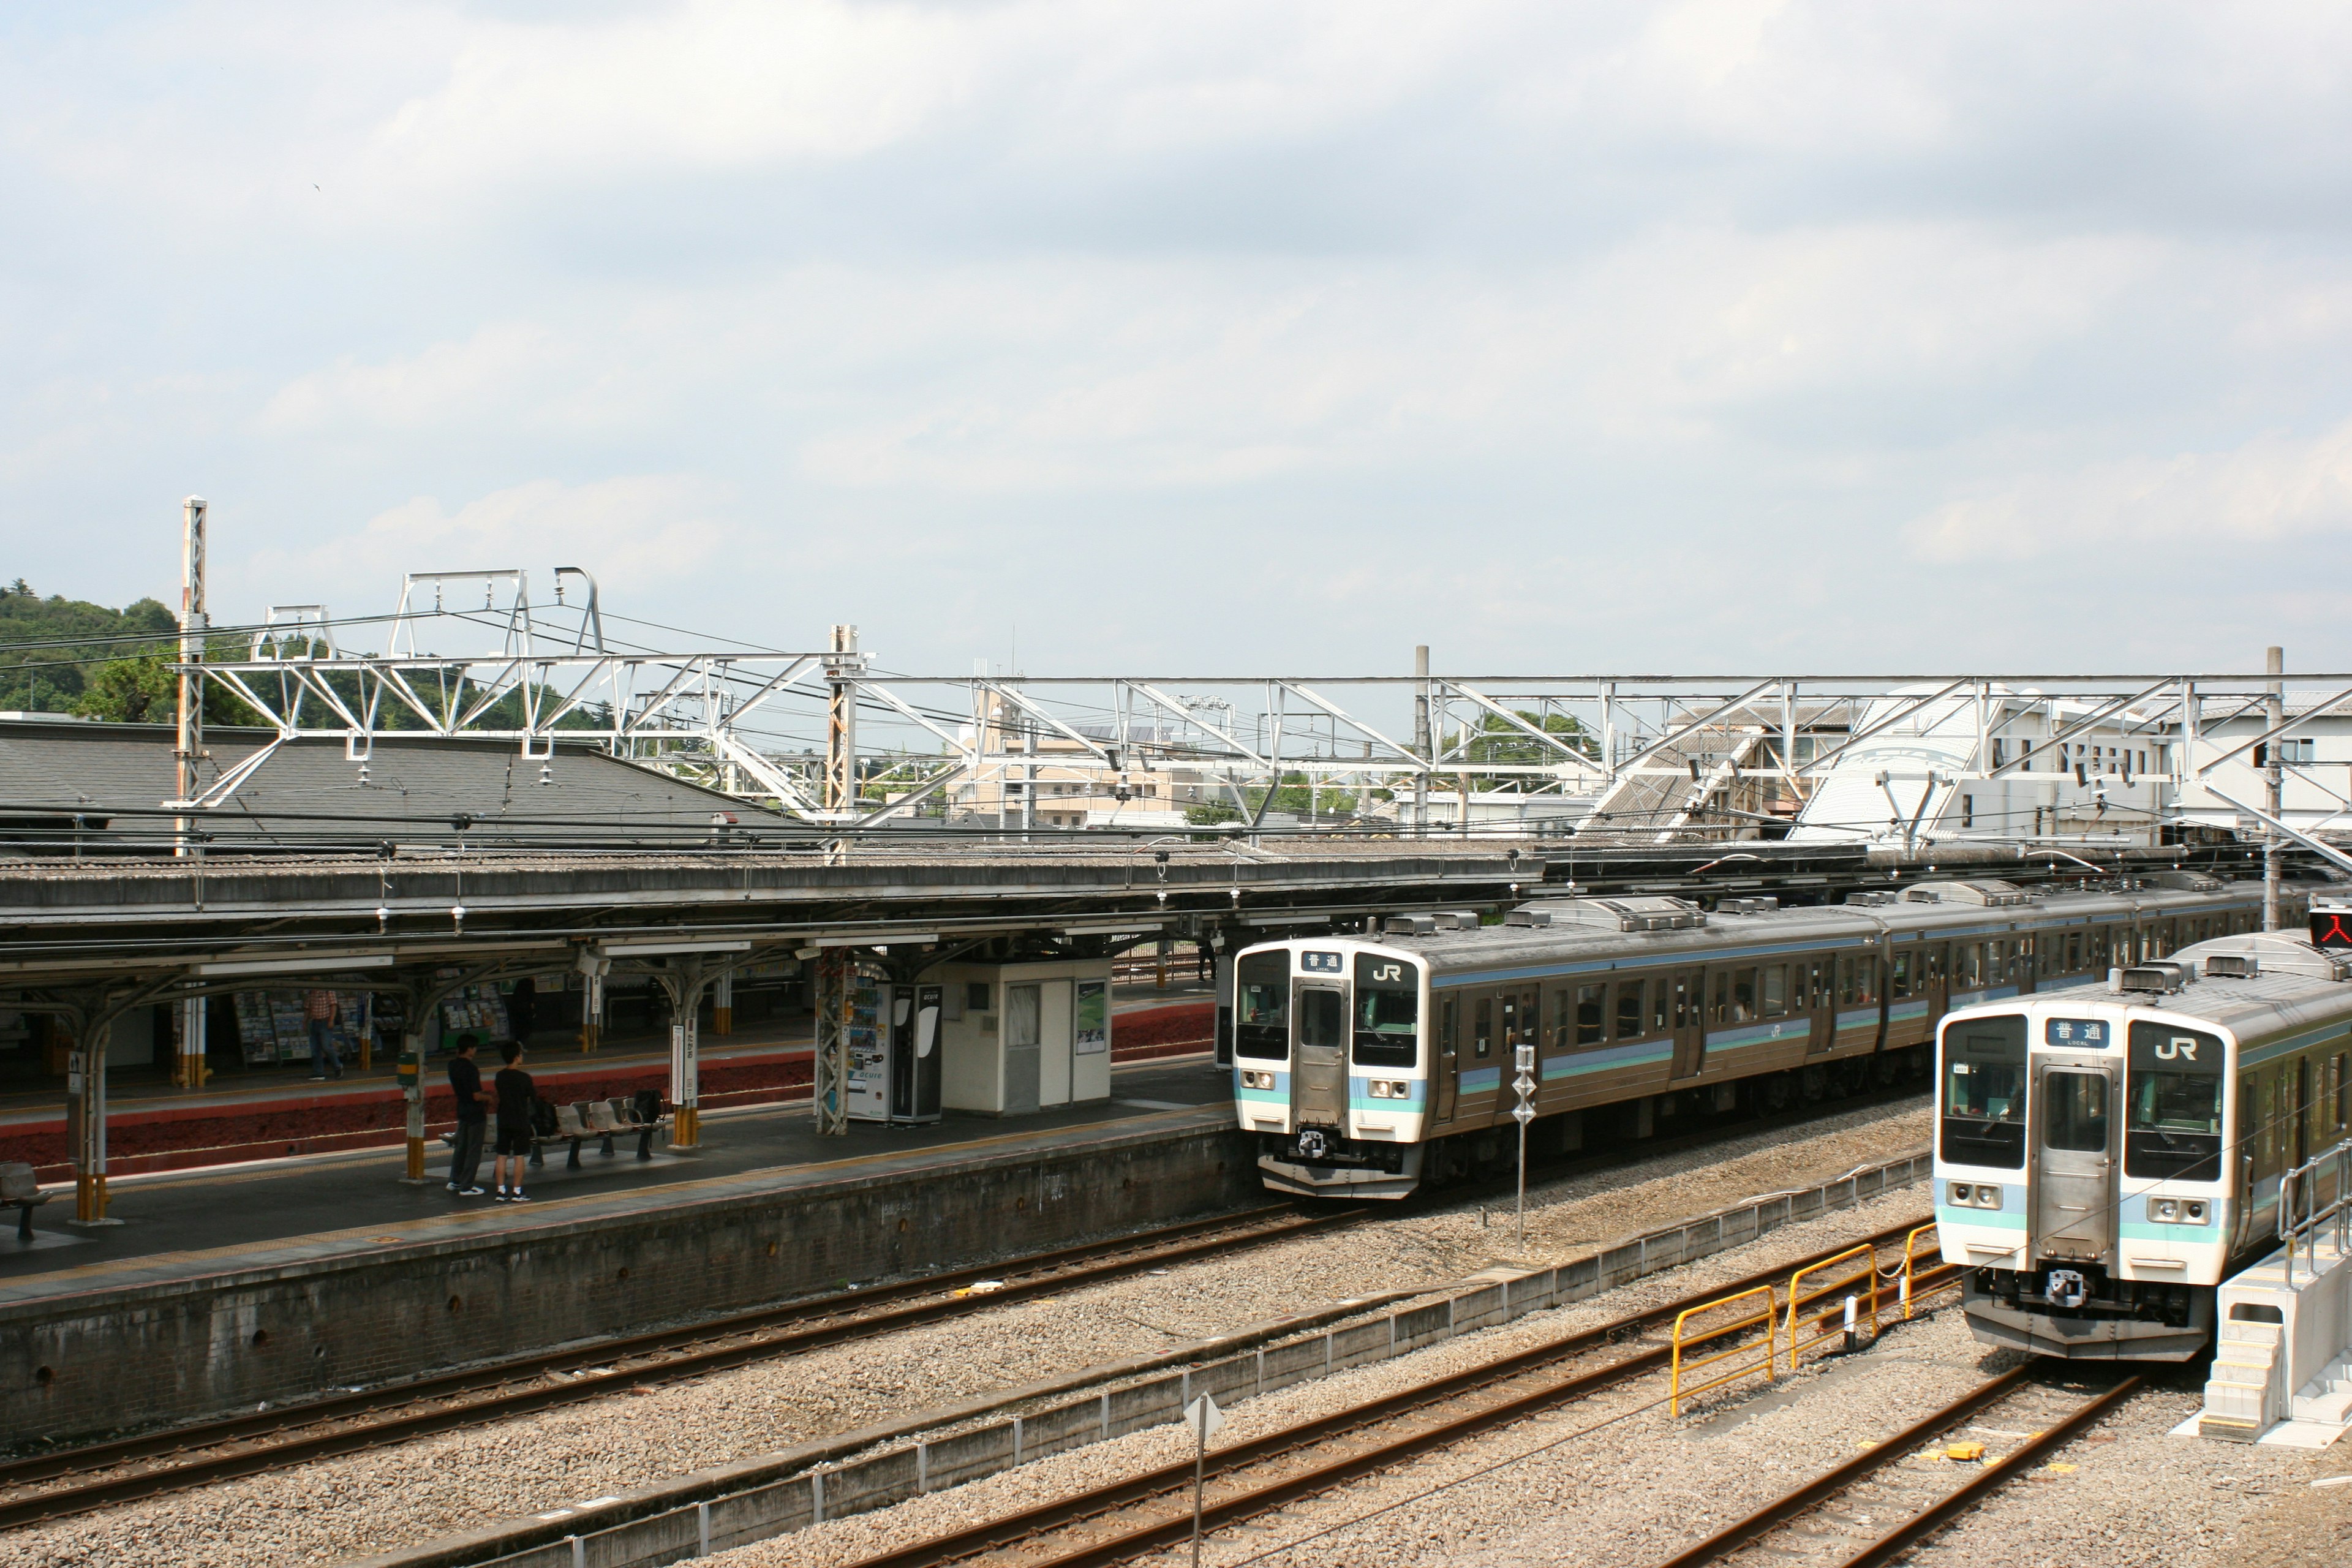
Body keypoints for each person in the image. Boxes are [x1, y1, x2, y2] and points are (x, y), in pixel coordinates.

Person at [445, 1040, 493, 1197]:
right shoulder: (471, 1069)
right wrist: (489, 1098)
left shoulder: (452, 1065)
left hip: (462, 1110)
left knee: (461, 1147)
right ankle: (467, 1186)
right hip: (475, 1113)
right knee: (474, 1149)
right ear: (470, 1049)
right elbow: (476, 1095)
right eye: (474, 1047)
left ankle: (455, 1181)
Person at [491, 1041, 536, 1203]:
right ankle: (517, 1191)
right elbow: (533, 1098)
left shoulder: (500, 1076)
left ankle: (500, 1190)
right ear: (517, 1057)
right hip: (520, 1119)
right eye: (521, 1054)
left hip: (503, 1119)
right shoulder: (525, 1078)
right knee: (519, 1156)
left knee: (502, 1155)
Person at [304, 989, 344, 1080]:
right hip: (314, 1022)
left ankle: (338, 1067)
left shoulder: (328, 991)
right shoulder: (311, 993)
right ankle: (319, 1072)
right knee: (315, 1049)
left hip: (325, 1021)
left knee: (326, 1046)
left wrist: (331, 1020)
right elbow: (307, 1008)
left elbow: (333, 1005)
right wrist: (305, 1022)